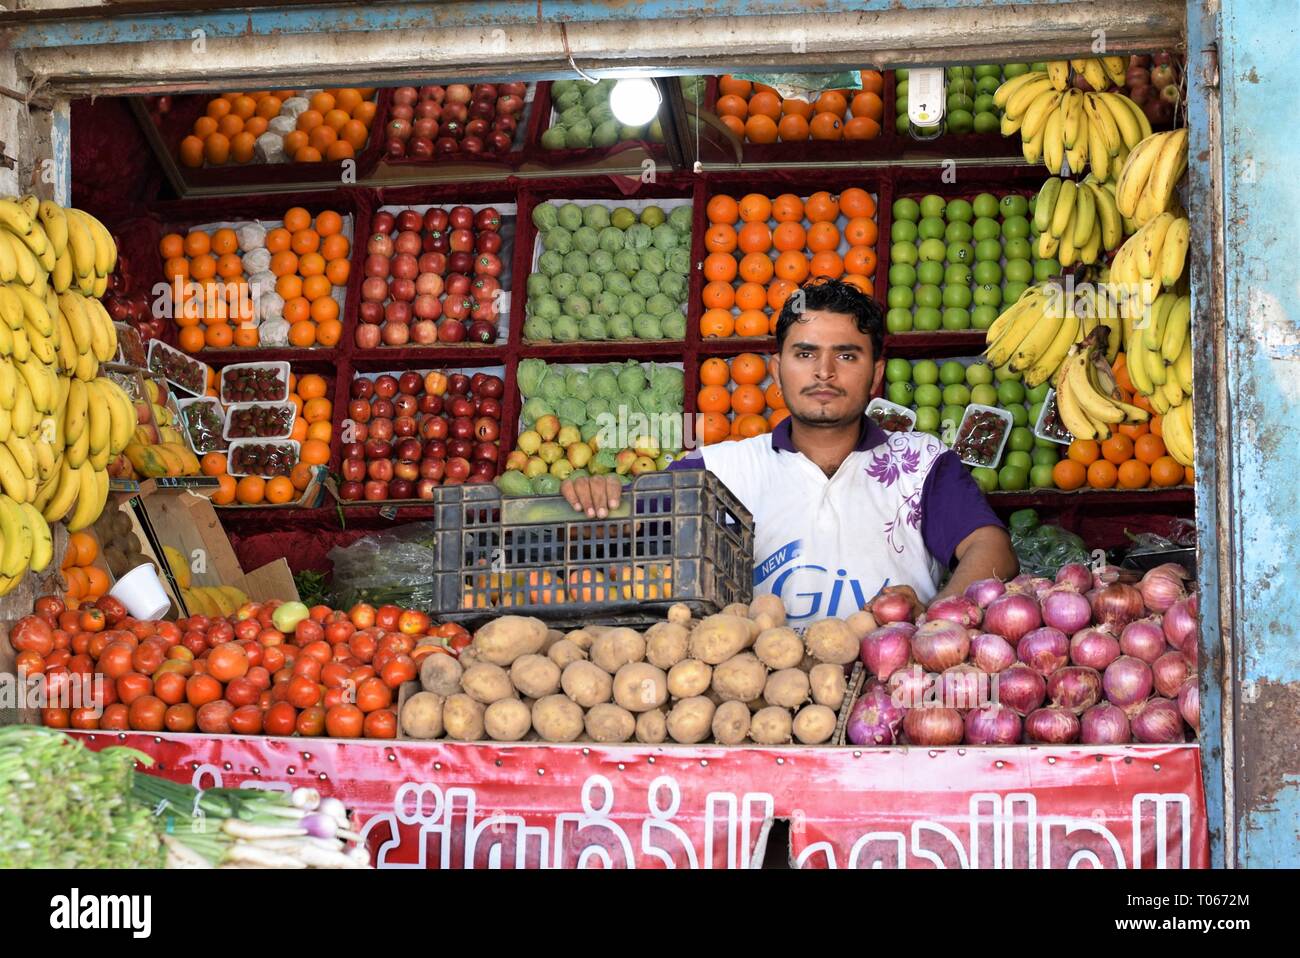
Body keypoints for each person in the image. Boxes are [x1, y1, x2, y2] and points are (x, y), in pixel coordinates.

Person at [561, 278, 1018, 623]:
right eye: (804, 354)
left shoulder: (922, 463)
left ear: (876, 374)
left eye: (846, 355)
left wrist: (934, 618)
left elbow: (989, 545)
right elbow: (625, 532)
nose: (824, 372)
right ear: (777, 370)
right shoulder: (718, 469)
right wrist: (599, 498)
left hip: (889, 691)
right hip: (755, 702)